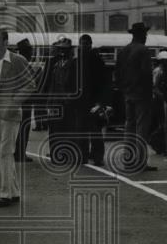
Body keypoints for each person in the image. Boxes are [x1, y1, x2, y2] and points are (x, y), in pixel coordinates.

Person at [0, 28, 33, 207]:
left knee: (5, 151)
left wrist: (14, 102)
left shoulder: (18, 60)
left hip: (11, 113)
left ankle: (5, 193)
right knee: (0, 152)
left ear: (6, 42)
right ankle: (14, 191)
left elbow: (30, 85)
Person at [116, 21, 156, 172]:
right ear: (141, 34)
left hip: (128, 94)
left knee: (129, 127)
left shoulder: (124, 51)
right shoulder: (143, 50)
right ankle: (140, 162)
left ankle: (129, 160)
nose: (146, 36)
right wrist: (149, 92)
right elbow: (146, 74)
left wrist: (124, 89)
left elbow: (118, 74)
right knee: (141, 128)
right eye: (145, 33)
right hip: (142, 94)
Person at [76, 33, 109, 168]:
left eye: (85, 44)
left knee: (90, 129)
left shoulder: (81, 60)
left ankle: (91, 156)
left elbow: (103, 82)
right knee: (91, 130)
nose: (83, 46)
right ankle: (94, 156)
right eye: (82, 44)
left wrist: (101, 101)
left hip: (89, 99)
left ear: (89, 45)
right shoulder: (95, 60)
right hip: (87, 100)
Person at [44, 37, 79, 164]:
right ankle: (56, 155)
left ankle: (65, 154)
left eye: (65, 49)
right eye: (60, 49)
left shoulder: (74, 65)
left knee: (67, 129)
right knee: (54, 129)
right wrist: (49, 103)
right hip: (55, 102)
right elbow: (52, 86)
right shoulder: (56, 65)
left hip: (66, 103)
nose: (62, 52)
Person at [13, 37, 37, 162]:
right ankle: (20, 153)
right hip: (24, 101)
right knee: (23, 127)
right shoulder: (23, 63)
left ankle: (18, 152)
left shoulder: (17, 62)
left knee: (19, 128)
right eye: (30, 50)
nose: (32, 53)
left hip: (19, 100)